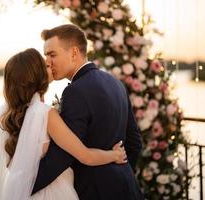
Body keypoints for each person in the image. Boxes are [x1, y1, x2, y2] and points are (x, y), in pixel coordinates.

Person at [0, 48, 127, 200]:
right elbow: (85, 156)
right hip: (52, 193)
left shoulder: (6, 115)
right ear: (37, 76)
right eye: (45, 65)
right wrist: (115, 155)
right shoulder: (45, 114)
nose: (51, 65)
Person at [31, 24, 143, 200]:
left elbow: (62, 155)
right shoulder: (116, 83)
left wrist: (24, 186)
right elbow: (135, 143)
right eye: (46, 55)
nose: (47, 62)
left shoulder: (75, 91)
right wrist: (120, 175)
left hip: (95, 193)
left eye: (52, 54)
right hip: (128, 189)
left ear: (74, 52)